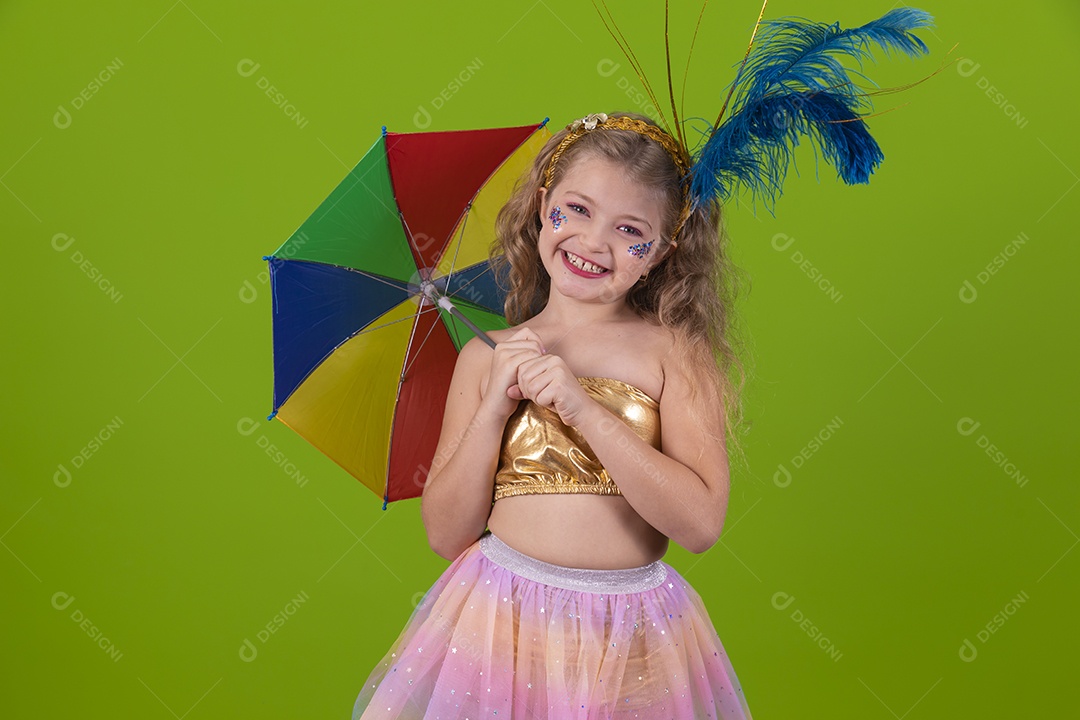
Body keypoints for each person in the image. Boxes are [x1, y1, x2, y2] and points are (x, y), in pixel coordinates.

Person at [352, 111, 754, 719]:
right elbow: (445, 534)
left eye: (630, 230)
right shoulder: (487, 357)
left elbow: (699, 526)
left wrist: (583, 408)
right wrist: (494, 403)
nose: (594, 243)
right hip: (497, 626)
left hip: (634, 634)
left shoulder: (675, 354)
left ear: (662, 251)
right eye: (579, 209)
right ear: (544, 207)